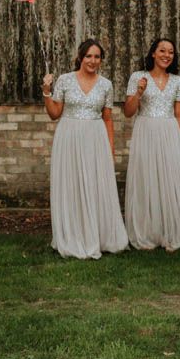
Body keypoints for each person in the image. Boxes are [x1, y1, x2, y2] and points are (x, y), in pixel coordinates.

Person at [42, 39, 128, 259]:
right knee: (71, 184)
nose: (92, 60)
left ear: (101, 60)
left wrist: (110, 148)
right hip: (69, 137)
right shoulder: (65, 80)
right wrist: (46, 91)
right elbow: (54, 113)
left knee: (95, 185)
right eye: (89, 56)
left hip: (95, 137)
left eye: (97, 57)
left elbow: (108, 119)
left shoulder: (106, 84)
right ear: (80, 57)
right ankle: (73, 235)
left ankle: (97, 235)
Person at [123, 38, 180, 251]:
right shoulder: (137, 78)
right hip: (145, 131)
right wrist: (139, 93)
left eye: (171, 52)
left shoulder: (176, 81)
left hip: (169, 132)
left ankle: (171, 233)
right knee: (146, 179)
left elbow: (179, 114)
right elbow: (128, 112)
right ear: (153, 53)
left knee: (169, 181)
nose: (167, 55)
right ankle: (147, 233)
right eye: (162, 51)